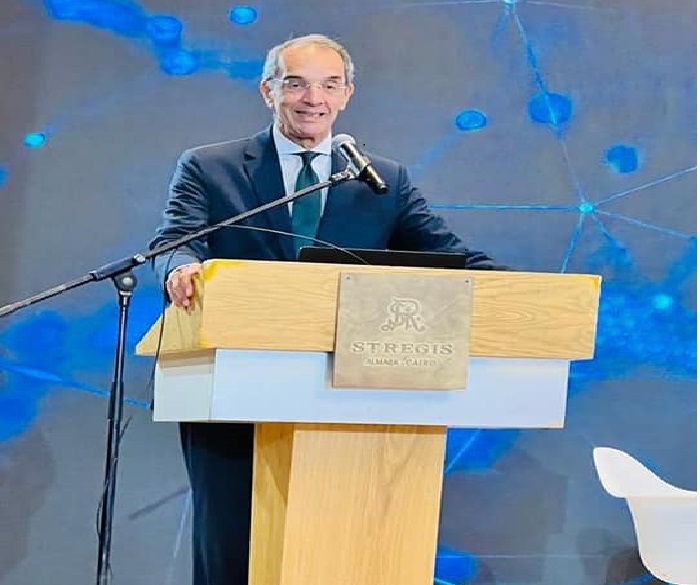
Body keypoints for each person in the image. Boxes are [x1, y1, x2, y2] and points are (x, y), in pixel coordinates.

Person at [149, 33, 503, 585]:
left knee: (340, 552)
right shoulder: (211, 166)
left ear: (346, 95)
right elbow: (176, 241)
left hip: (348, 394)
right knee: (234, 548)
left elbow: (450, 256)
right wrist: (180, 267)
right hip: (235, 387)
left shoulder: (381, 180)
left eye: (329, 85)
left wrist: (528, 292)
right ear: (268, 91)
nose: (313, 99)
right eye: (296, 84)